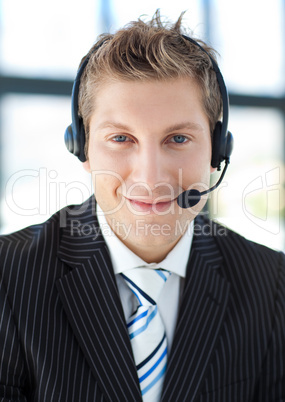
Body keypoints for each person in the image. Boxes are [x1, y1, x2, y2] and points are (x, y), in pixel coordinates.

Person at [0, 10, 284, 402]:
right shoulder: (7, 276)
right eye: (120, 138)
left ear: (218, 149)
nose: (150, 178)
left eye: (179, 139)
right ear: (81, 146)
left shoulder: (272, 284)